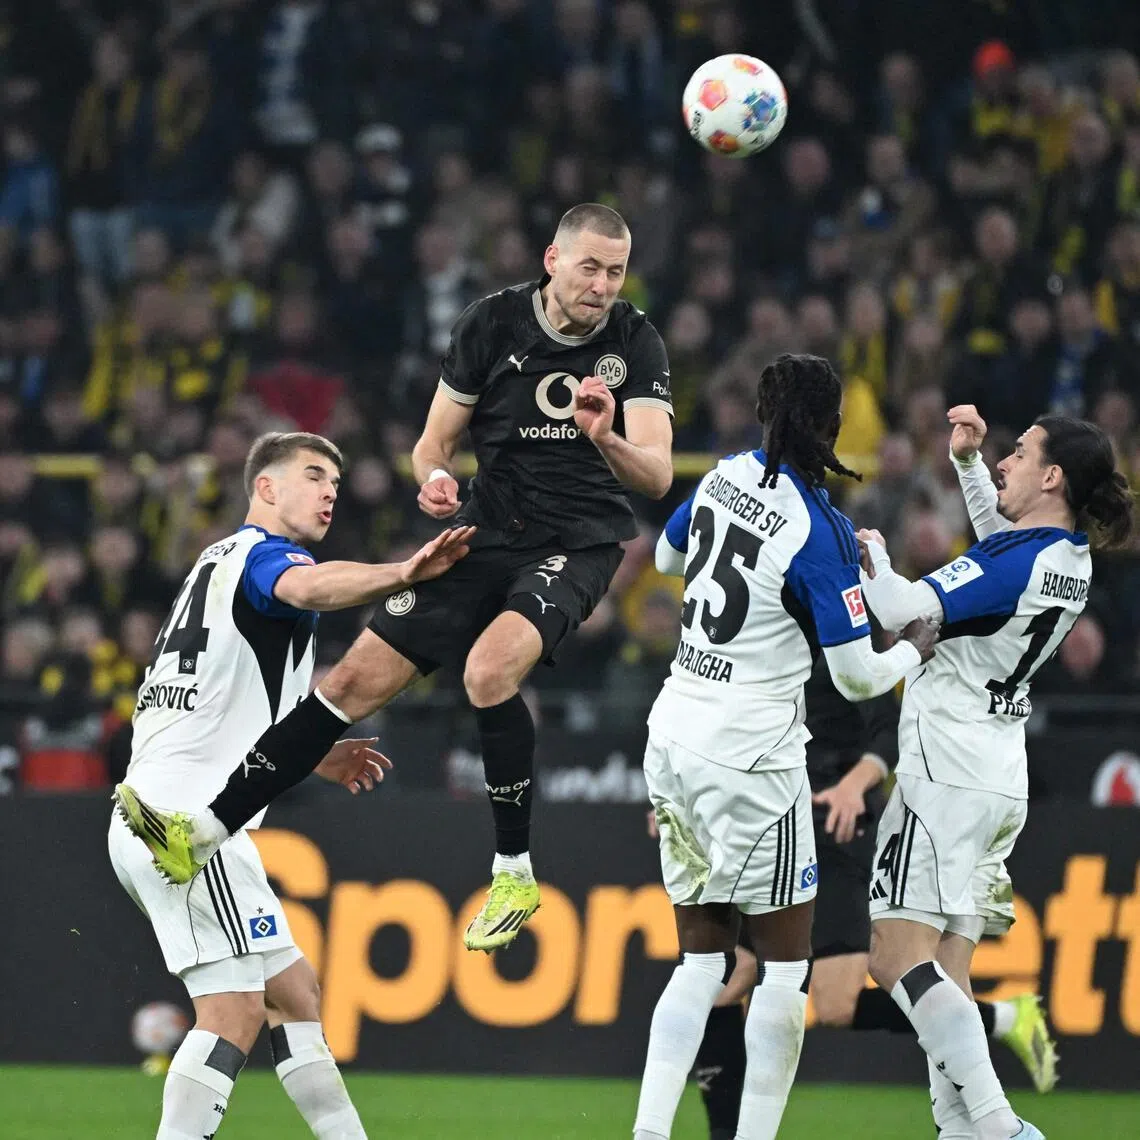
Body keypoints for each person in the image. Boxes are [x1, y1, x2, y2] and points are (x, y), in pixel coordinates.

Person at [114, 202, 675, 953]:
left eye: (615, 271)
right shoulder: (491, 325)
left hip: (577, 543)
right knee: (346, 685)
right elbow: (431, 445)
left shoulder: (635, 343)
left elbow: (659, 475)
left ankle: (513, 872)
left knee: (487, 672)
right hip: (483, 529)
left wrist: (605, 436)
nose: (603, 285)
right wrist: (436, 480)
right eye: (590, 268)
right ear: (553, 260)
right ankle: (202, 834)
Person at [111, 431, 472, 1140]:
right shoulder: (264, 559)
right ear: (265, 489)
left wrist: (314, 754)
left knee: (295, 991)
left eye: (335, 479)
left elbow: (221, 703)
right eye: (312, 475)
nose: (329, 489)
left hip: (176, 806)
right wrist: (404, 573)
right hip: (187, 823)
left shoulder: (214, 568)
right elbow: (305, 585)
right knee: (235, 1012)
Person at [632, 353, 939, 1140]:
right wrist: (914, 644)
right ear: (832, 428)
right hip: (751, 755)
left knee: (700, 963)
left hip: (673, 730)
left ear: (766, 414)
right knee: (786, 965)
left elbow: (668, 559)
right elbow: (858, 676)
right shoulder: (820, 527)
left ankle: (647, 1133)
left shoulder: (726, 473)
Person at [858, 405, 1134, 1140]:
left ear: (1051, 476)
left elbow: (902, 609)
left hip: (942, 770)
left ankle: (999, 1126)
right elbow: (1003, 550)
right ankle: (960, 1131)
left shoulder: (1016, 562)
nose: (1004, 460)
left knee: (893, 958)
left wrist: (873, 557)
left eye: (1019, 453)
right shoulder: (1064, 556)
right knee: (947, 970)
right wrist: (969, 465)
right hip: (995, 773)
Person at [685, 655, 1057, 1140]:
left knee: (839, 1003)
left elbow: (888, 733)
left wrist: (853, 786)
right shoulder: (764, 637)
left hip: (838, 834)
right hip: (772, 827)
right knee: (726, 976)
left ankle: (1000, 1034)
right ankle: (726, 1135)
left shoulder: (846, 642)